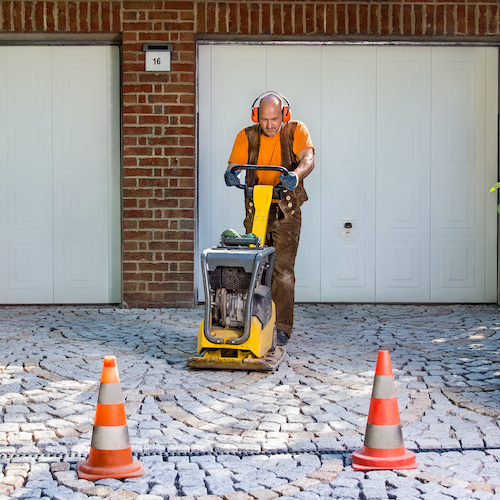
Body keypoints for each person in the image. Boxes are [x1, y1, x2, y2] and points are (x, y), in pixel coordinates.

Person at [224, 91, 315, 346]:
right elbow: (234, 165)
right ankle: (250, 321)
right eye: (264, 119)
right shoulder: (247, 136)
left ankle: (282, 328)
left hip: (287, 211)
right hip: (257, 210)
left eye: (275, 119)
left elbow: (308, 158)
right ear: (257, 117)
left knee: (282, 272)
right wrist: (231, 174)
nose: (270, 125)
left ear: (284, 115)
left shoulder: (296, 131)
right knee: (252, 267)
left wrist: (296, 175)